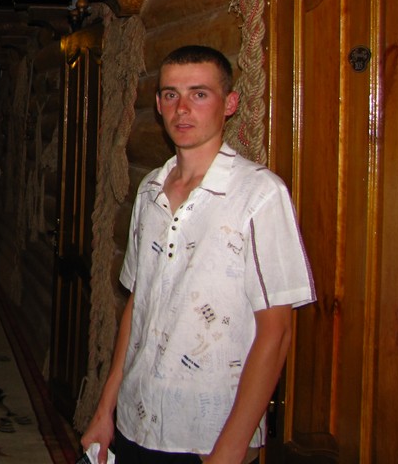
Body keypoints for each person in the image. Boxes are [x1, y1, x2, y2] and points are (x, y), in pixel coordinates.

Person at [80, 45, 315, 464]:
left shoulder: (260, 194)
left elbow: (276, 332)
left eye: (199, 94)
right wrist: (105, 410)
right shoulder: (149, 190)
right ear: (158, 105)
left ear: (230, 104)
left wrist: (230, 449)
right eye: (171, 94)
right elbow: (138, 305)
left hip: (209, 436)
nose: (182, 109)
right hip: (136, 419)